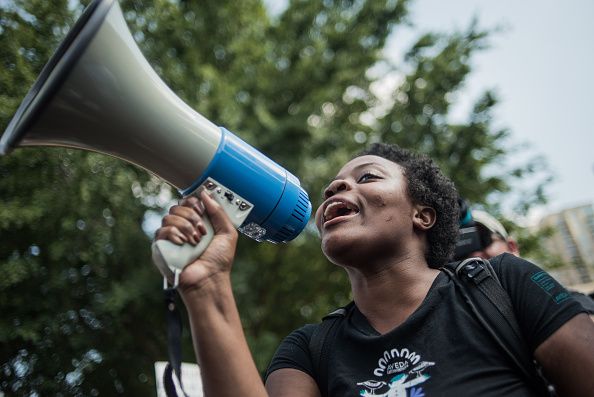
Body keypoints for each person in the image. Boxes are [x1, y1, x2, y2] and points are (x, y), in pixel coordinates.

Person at [155, 143, 594, 396]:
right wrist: (207, 286)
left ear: (423, 215)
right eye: (333, 187)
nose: (336, 187)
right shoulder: (309, 351)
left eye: (367, 177)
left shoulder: (502, 285)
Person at [458, 207, 594, 318]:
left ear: (512, 247)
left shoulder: (569, 300)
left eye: (482, 240)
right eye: (460, 251)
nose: (473, 255)